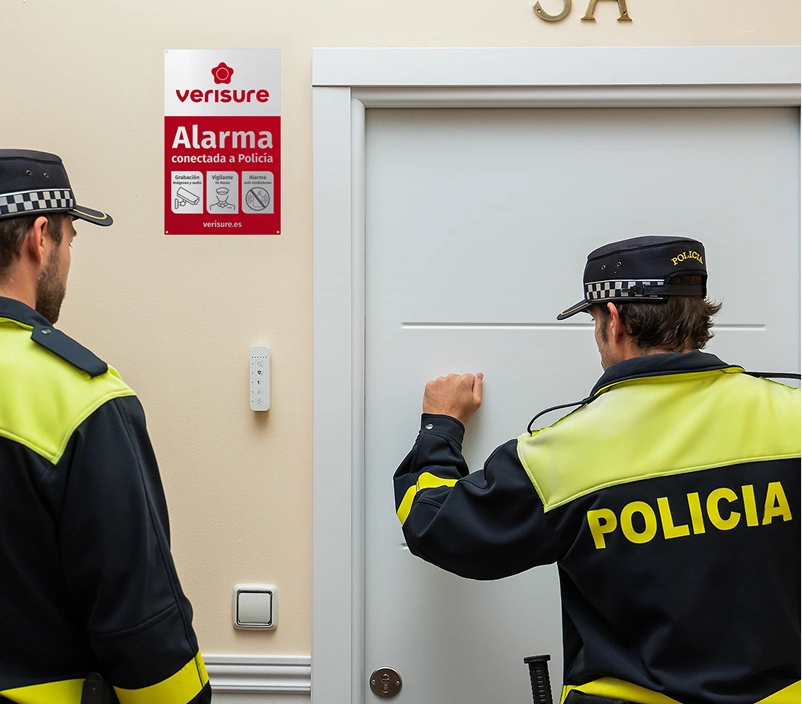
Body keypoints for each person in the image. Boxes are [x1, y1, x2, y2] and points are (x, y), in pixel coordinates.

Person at [393, 235, 802, 704]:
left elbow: (434, 524)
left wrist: (440, 429)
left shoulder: (563, 453)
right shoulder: (793, 417)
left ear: (614, 317)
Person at [0, 150, 210, 704]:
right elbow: (140, 626)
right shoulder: (81, 398)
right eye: (70, 240)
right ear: (39, 238)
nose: (66, 258)